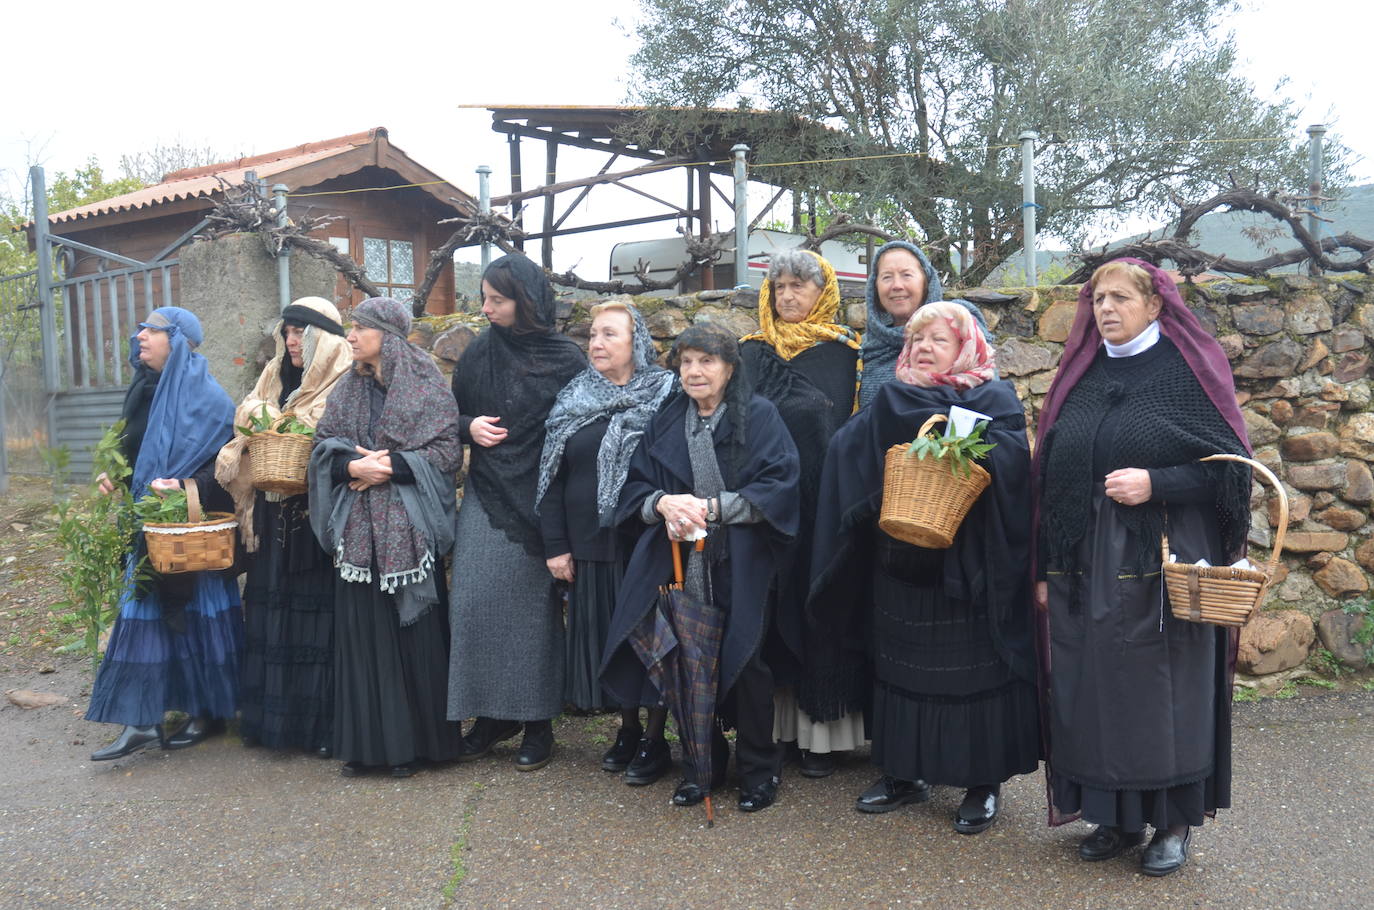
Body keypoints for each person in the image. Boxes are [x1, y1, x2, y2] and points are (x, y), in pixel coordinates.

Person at [1032, 258, 1251, 876]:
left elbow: (1231, 471)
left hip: (1161, 558)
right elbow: (1051, 475)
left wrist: (1157, 481)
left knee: (1162, 692)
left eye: (1121, 297)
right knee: (1094, 687)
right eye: (1098, 297)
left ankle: (1172, 821)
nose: (1106, 308)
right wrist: (1048, 567)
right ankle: (1115, 816)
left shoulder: (1188, 374)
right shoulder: (1081, 375)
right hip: (1083, 562)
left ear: (1156, 306)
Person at [809, 301, 1040, 834]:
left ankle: (982, 782)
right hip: (901, 557)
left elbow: (1016, 462)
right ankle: (903, 773)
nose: (924, 349)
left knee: (970, 670)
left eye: (938, 339)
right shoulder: (891, 396)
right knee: (901, 666)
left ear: (966, 346)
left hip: (969, 565)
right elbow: (849, 450)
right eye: (916, 341)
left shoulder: (994, 396)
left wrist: (977, 453)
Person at [602, 323, 800, 813]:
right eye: (687, 361)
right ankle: (699, 767)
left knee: (747, 661)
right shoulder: (668, 418)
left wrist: (711, 509)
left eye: (706, 361)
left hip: (744, 561)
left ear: (729, 368)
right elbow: (634, 490)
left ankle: (759, 769)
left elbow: (780, 485)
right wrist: (664, 503)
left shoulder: (760, 416)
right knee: (688, 661)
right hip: (680, 562)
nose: (694, 371)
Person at [308, 296, 464, 778]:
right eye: (351, 328)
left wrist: (391, 467)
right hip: (358, 536)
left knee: (412, 636)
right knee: (363, 637)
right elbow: (321, 448)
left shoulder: (425, 384)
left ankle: (418, 747)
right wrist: (352, 465)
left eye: (359, 328)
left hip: (409, 533)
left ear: (387, 336)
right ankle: (369, 748)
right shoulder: (346, 390)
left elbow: (445, 452)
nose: (350, 336)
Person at [448, 253, 587, 770]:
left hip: (543, 499)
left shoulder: (565, 358)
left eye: (497, 300)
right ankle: (488, 715)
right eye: (483, 298)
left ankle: (536, 724)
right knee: (473, 604)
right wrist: (469, 427)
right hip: (489, 492)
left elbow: (582, 426)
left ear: (525, 302)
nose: (485, 308)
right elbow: (449, 412)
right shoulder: (479, 353)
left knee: (531, 615)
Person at [86, 307, 242, 760]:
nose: (140, 336)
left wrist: (186, 485)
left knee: (195, 618)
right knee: (143, 613)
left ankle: (207, 711)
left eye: (151, 330)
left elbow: (227, 463)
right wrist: (113, 473)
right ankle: (142, 721)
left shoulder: (208, 397)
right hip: (148, 525)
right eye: (140, 329)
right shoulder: (141, 390)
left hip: (190, 532)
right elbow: (130, 446)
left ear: (176, 340)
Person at [536, 301, 677, 784]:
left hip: (647, 543)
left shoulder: (665, 393)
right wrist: (556, 546)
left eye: (609, 335)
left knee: (650, 640)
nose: (596, 343)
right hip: (590, 544)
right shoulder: (574, 395)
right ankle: (628, 728)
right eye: (593, 335)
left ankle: (656, 738)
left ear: (634, 341)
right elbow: (551, 476)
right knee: (611, 642)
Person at [739, 248, 864, 779]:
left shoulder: (845, 355)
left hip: (823, 506)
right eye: (779, 287)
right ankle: (779, 733)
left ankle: (823, 736)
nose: (788, 296)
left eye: (799, 287)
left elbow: (851, 433)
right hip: (765, 506)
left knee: (820, 610)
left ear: (823, 293)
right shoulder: (749, 353)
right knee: (771, 614)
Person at [216, 297, 352, 756]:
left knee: (316, 616)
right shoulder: (274, 373)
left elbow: (327, 430)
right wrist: (271, 419)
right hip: (272, 509)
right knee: (274, 611)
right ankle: (273, 726)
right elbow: (247, 411)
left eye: (301, 333)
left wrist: (271, 420)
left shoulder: (342, 376)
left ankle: (318, 729)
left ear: (324, 338)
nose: (292, 342)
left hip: (317, 515)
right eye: (288, 332)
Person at [859, 241, 990, 408]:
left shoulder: (962, 331)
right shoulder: (863, 349)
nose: (897, 285)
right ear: (874, 287)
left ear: (926, 281)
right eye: (886, 277)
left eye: (906, 275)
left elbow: (989, 405)